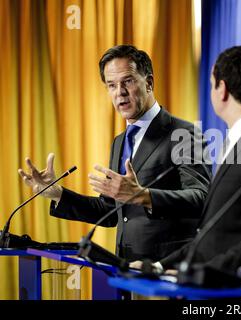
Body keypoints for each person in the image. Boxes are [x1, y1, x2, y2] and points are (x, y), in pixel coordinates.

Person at [18, 45, 211, 262]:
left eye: (127, 81)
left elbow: (202, 198)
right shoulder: (120, 142)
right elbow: (109, 211)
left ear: (149, 83)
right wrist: (58, 194)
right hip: (124, 267)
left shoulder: (182, 133)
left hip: (167, 269)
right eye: (112, 85)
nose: (120, 92)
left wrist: (144, 196)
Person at [138, 46, 241, 277]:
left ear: (222, 89)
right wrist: (160, 266)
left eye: (212, 83)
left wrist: (201, 273)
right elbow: (214, 235)